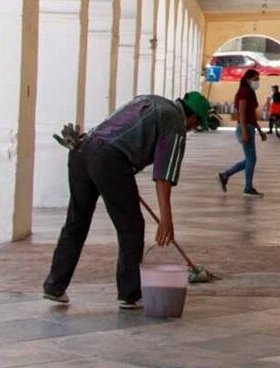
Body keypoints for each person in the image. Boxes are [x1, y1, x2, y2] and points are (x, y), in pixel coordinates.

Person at [42, 92, 211, 308]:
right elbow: (164, 175)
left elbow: (115, 130)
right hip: (110, 160)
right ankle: (130, 293)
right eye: (195, 125)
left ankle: (54, 286)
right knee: (131, 227)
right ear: (193, 119)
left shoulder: (148, 100)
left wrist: (118, 173)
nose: (191, 129)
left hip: (82, 149)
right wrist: (166, 218)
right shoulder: (175, 124)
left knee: (76, 221)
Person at [217, 68, 267, 198]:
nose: (257, 82)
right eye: (255, 79)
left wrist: (260, 131)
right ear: (247, 79)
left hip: (249, 127)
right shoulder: (243, 92)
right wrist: (245, 132)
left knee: (250, 159)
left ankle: (225, 175)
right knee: (251, 159)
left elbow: (252, 115)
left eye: (258, 79)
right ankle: (248, 188)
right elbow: (242, 114)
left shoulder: (250, 92)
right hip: (244, 127)